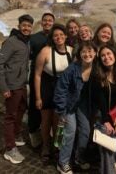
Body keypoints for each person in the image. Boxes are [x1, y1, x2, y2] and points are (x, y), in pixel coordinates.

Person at [0, 14, 34, 164]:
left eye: (29, 26)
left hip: (22, 85)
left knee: (21, 110)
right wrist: (4, 87)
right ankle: (9, 149)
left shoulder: (26, 42)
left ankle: (16, 135)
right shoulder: (11, 42)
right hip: (12, 86)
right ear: (19, 26)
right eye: (24, 25)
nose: (26, 28)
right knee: (10, 116)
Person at [54, 41, 97, 174]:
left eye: (90, 51)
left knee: (85, 131)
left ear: (95, 53)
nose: (87, 54)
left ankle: (79, 157)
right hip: (68, 105)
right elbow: (60, 89)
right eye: (84, 51)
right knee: (70, 132)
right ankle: (63, 162)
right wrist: (61, 111)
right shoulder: (73, 68)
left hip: (83, 105)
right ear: (79, 54)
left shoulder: (97, 68)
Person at [34, 24, 72, 161]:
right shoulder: (46, 51)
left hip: (63, 90)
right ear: (52, 38)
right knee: (46, 120)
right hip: (47, 88)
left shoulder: (71, 51)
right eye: (56, 35)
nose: (59, 37)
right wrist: (38, 97)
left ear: (66, 36)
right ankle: (45, 146)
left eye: (61, 34)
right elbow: (37, 75)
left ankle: (57, 146)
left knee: (59, 122)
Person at [93, 44, 116, 174]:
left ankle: (111, 165)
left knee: (113, 144)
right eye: (103, 55)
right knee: (107, 147)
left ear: (115, 55)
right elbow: (100, 101)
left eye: (109, 54)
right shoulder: (98, 75)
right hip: (102, 115)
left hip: (115, 115)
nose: (106, 57)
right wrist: (106, 120)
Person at [28, 12, 55, 148]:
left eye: (50, 21)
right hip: (36, 75)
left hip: (50, 78)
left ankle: (46, 131)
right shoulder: (34, 38)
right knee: (34, 104)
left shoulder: (55, 37)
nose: (47, 23)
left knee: (47, 106)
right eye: (45, 20)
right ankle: (33, 131)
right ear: (42, 22)